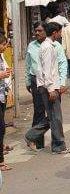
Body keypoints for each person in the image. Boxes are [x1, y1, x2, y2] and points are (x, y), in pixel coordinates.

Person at [25, 22, 70, 155]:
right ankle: (33, 136)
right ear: (55, 33)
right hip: (48, 87)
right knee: (55, 117)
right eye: (59, 32)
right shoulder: (48, 48)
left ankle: (57, 145)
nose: (60, 35)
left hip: (48, 86)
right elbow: (46, 70)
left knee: (53, 117)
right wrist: (51, 89)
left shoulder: (49, 46)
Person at [0, 34, 12, 171]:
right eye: (3, 45)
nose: (5, 47)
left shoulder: (1, 56)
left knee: (2, 128)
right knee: (1, 128)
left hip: (2, 95)